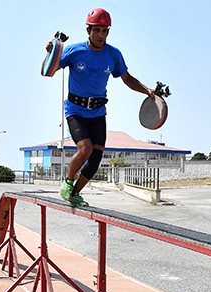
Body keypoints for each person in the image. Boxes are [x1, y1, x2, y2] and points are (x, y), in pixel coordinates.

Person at [46, 7, 155, 206]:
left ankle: (74, 194)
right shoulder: (74, 51)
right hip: (75, 110)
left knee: (95, 160)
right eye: (97, 30)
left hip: (97, 112)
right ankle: (67, 182)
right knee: (85, 148)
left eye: (105, 31)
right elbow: (48, 71)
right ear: (88, 30)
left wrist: (146, 90)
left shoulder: (113, 55)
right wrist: (51, 53)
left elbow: (127, 78)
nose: (101, 35)